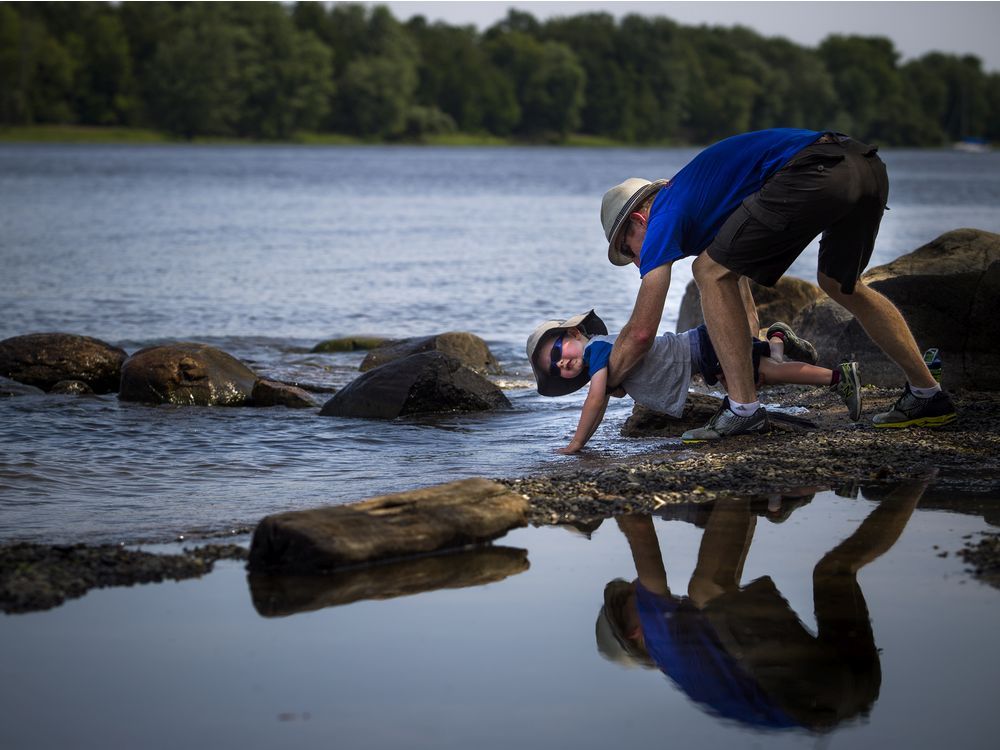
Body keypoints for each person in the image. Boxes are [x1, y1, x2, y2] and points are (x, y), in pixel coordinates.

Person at [599, 128, 957, 441]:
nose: (635, 262)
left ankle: (743, 412)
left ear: (638, 219)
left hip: (815, 168)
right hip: (865, 166)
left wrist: (608, 373)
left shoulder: (663, 214)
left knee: (706, 271)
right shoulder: (698, 200)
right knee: (840, 284)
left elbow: (643, 332)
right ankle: (927, 394)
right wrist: (749, 355)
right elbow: (735, 284)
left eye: (628, 250)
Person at [595, 478, 931, 731]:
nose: (636, 588)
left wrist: (748, 490)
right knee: (706, 587)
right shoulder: (658, 639)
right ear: (634, 631)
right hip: (802, 694)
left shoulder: (688, 665)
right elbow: (639, 528)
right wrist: (610, 492)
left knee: (836, 571)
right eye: (629, 595)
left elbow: (733, 556)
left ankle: (920, 475)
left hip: (849, 697)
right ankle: (739, 474)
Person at [526, 310, 861, 453]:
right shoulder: (607, 355)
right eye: (555, 368)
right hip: (700, 354)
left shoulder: (598, 349)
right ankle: (777, 339)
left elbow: (595, 400)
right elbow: (618, 389)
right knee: (764, 372)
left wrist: (576, 445)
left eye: (558, 350)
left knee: (765, 374)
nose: (562, 362)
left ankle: (837, 377)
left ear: (573, 333)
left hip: (700, 349)